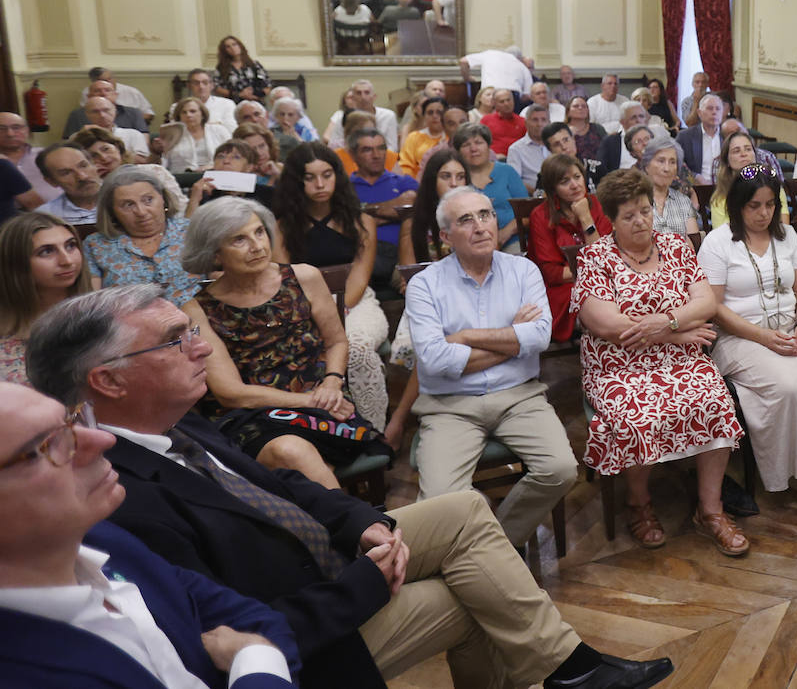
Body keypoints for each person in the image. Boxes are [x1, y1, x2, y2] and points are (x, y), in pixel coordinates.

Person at [26, 286, 674, 689]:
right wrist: (361, 581)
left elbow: (286, 492)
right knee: (476, 598)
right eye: (175, 341)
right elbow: (230, 627)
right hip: (318, 628)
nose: (201, 349)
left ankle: (568, 666)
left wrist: (357, 522)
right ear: (108, 381)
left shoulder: (180, 422)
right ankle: (569, 669)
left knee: (466, 513)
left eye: (192, 331)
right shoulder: (113, 497)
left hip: (330, 557)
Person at [0, 383, 300, 689]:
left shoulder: (99, 539)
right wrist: (256, 658)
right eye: (47, 446)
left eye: (72, 420)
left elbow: (257, 619)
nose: (103, 439)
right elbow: (257, 640)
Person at [572, 169, 748, 555]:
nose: (641, 221)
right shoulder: (596, 257)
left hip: (679, 357)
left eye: (645, 211)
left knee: (715, 400)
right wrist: (674, 331)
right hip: (618, 364)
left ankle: (711, 509)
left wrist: (667, 325)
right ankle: (639, 502)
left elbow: (704, 304)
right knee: (640, 415)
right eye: (629, 216)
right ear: (611, 220)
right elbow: (604, 323)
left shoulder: (676, 246)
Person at [406, 187, 579, 547]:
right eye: (465, 220)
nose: (480, 226)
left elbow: (539, 337)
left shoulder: (523, 270)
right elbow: (435, 359)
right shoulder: (424, 284)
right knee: (439, 500)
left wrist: (466, 336)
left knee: (560, 469)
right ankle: (485, 553)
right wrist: (512, 340)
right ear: (445, 236)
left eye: (485, 215)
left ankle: (494, 545)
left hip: (520, 397)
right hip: (450, 406)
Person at [180, 198, 388, 487]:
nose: (256, 245)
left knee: (300, 461)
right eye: (239, 239)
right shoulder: (196, 310)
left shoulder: (304, 277)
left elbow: (337, 342)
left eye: (259, 232)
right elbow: (231, 393)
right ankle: (361, 526)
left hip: (325, 401)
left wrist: (331, 383)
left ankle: (339, 527)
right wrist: (310, 401)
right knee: (290, 452)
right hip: (250, 417)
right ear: (215, 253)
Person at [697, 163, 797, 502]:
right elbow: (714, 309)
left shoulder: (787, 234)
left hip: (789, 329)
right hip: (740, 338)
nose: (764, 214)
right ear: (737, 206)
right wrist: (762, 337)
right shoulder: (718, 243)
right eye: (754, 206)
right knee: (789, 386)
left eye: (770, 205)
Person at [272, 143, 390, 430]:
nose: (320, 184)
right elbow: (285, 278)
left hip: (355, 302)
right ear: (297, 182)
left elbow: (360, 277)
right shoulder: (282, 226)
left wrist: (340, 310)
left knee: (358, 349)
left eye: (327, 174)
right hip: (303, 308)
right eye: (310, 177)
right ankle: (330, 429)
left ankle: (374, 431)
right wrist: (320, 314)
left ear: (338, 176)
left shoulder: (362, 221)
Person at [84, 166, 202, 307]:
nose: (141, 211)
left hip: (197, 321)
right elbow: (92, 304)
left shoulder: (193, 231)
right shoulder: (96, 245)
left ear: (163, 198)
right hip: (127, 325)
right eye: (128, 205)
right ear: (111, 211)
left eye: (148, 200)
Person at [0, 213, 92, 384]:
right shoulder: (6, 337)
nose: (67, 260)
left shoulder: (103, 318)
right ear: (15, 264)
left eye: (71, 246)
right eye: (47, 251)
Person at [528, 154, 610, 343]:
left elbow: (604, 256)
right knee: (597, 302)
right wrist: (592, 274)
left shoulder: (596, 204)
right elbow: (551, 273)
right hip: (562, 289)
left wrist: (585, 218)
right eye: (565, 181)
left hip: (600, 280)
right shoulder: (540, 215)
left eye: (577, 177)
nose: (574, 185)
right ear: (553, 188)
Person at [348, 128, 418, 290]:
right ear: (352, 155)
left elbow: (411, 203)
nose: (376, 155)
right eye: (367, 150)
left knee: (414, 286)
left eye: (381, 148)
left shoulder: (403, 182)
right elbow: (346, 223)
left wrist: (362, 211)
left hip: (400, 256)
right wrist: (396, 213)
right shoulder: (345, 188)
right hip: (359, 255)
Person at [70, 128, 189, 216]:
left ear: (118, 148)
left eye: (106, 149)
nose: (104, 158)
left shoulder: (155, 172)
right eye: (93, 155)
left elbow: (180, 209)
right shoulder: (93, 186)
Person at [453, 124, 527, 253]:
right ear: (458, 152)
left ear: (488, 146)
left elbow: (527, 213)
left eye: (478, 143)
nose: (473, 149)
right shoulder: (458, 178)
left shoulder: (507, 171)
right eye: (466, 145)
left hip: (512, 239)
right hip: (472, 242)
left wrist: (504, 234)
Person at [709, 130, 790, 228]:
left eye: (748, 149)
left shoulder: (773, 187)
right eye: (736, 151)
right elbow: (721, 238)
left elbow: (784, 227)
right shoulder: (720, 198)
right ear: (727, 161)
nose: (744, 154)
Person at [639, 135, 699, 236]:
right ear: (646, 165)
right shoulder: (633, 201)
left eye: (672, 162)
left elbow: (694, 243)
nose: (667, 168)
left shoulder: (684, 202)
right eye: (661, 161)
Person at [36, 143, 102, 225]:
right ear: (51, 181)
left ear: (94, 165)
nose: (82, 177)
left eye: (83, 166)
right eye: (66, 173)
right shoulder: (46, 217)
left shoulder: (120, 199)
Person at [0, 111, 60, 203]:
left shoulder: (48, 154)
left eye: (16, 127)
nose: (10, 134)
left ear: (27, 130)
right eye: (1, 129)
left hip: (59, 212)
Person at [161, 97, 232, 173]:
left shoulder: (219, 130)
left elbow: (232, 156)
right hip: (181, 177)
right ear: (179, 117)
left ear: (202, 114)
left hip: (215, 174)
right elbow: (163, 162)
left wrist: (213, 166)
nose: (188, 115)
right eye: (184, 112)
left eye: (193, 111)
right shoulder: (172, 134)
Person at [62, 77, 150, 138]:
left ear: (115, 95)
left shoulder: (134, 113)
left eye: (107, 90)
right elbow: (68, 143)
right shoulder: (77, 115)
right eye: (97, 91)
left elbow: (144, 142)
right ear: (89, 96)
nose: (103, 93)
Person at [324, 80, 399, 151]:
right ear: (352, 97)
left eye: (367, 92)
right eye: (358, 93)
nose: (363, 97)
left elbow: (392, 147)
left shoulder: (388, 116)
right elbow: (334, 147)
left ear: (374, 96)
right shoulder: (342, 118)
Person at [81, 95, 150, 162]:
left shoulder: (133, 134)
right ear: (87, 115)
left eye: (106, 110)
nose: (102, 115)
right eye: (95, 112)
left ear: (115, 111)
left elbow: (142, 160)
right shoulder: (79, 137)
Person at [677, 93, 725, 182]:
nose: (714, 112)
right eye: (710, 108)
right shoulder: (685, 137)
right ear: (699, 113)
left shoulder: (727, 136)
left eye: (718, 109)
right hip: (696, 188)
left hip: (724, 189)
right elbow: (677, 165)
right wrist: (694, 177)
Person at [80, 67, 155, 123]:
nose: (109, 82)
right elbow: (85, 115)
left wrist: (132, 119)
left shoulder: (132, 92)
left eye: (110, 78)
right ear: (93, 82)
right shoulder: (88, 92)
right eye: (104, 80)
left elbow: (149, 114)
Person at [398, 96, 448, 177]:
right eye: (430, 112)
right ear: (424, 116)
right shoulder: (414, 137)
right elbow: (405, 165)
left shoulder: (451, 137)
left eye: (439, 112)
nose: (434, 116)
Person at [507, 102, 551, 192]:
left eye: (543, 120)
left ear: (549, 123)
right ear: (526, 123)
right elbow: (515, 181)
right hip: (532, 198)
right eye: (535, 120)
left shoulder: (556, 144)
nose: (539, 124)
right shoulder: (515, 149)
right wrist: (538, 193)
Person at [213, 36, 271, 103]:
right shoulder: (221, 68)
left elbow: (267, 85)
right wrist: (239, 95)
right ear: (224, 50)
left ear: (240, 45)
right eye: (228, 47)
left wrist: (254, 96)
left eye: (234, 44)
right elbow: (217, 88)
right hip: (233, 103)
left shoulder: (254, 65)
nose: (232, 48)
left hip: (255, 101)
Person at [460, 45, 534, 97]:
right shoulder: (522, 67)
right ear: (520, 58)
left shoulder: (490, 54)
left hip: (490, 94)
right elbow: (527, 95)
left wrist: (467, 78)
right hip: (513, 96)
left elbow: (463, 61)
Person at [185, 68, 240, 132]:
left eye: (205, 83)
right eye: (196, 83)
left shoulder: (227, 104)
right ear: (188, 86)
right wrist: (217, 124)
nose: (201, 87)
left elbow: (231, 130)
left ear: (212, 85)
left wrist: (195, 127)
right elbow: (179, 132)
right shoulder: (178, 107)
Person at [233, 122, 283, 188]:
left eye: (262, 146)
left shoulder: (281, 168)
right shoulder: (238, 175)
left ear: (269, 145)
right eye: (252, 149)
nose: (259, 153)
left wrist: (277, 175)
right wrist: (273, 178)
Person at [566, 95, 606, 165]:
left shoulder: (598, 128)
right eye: (576, 106)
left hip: (598, 168)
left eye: (584, 106)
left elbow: (608, 148)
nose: (580, 108)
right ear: (568, 112)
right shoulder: (563, 130)